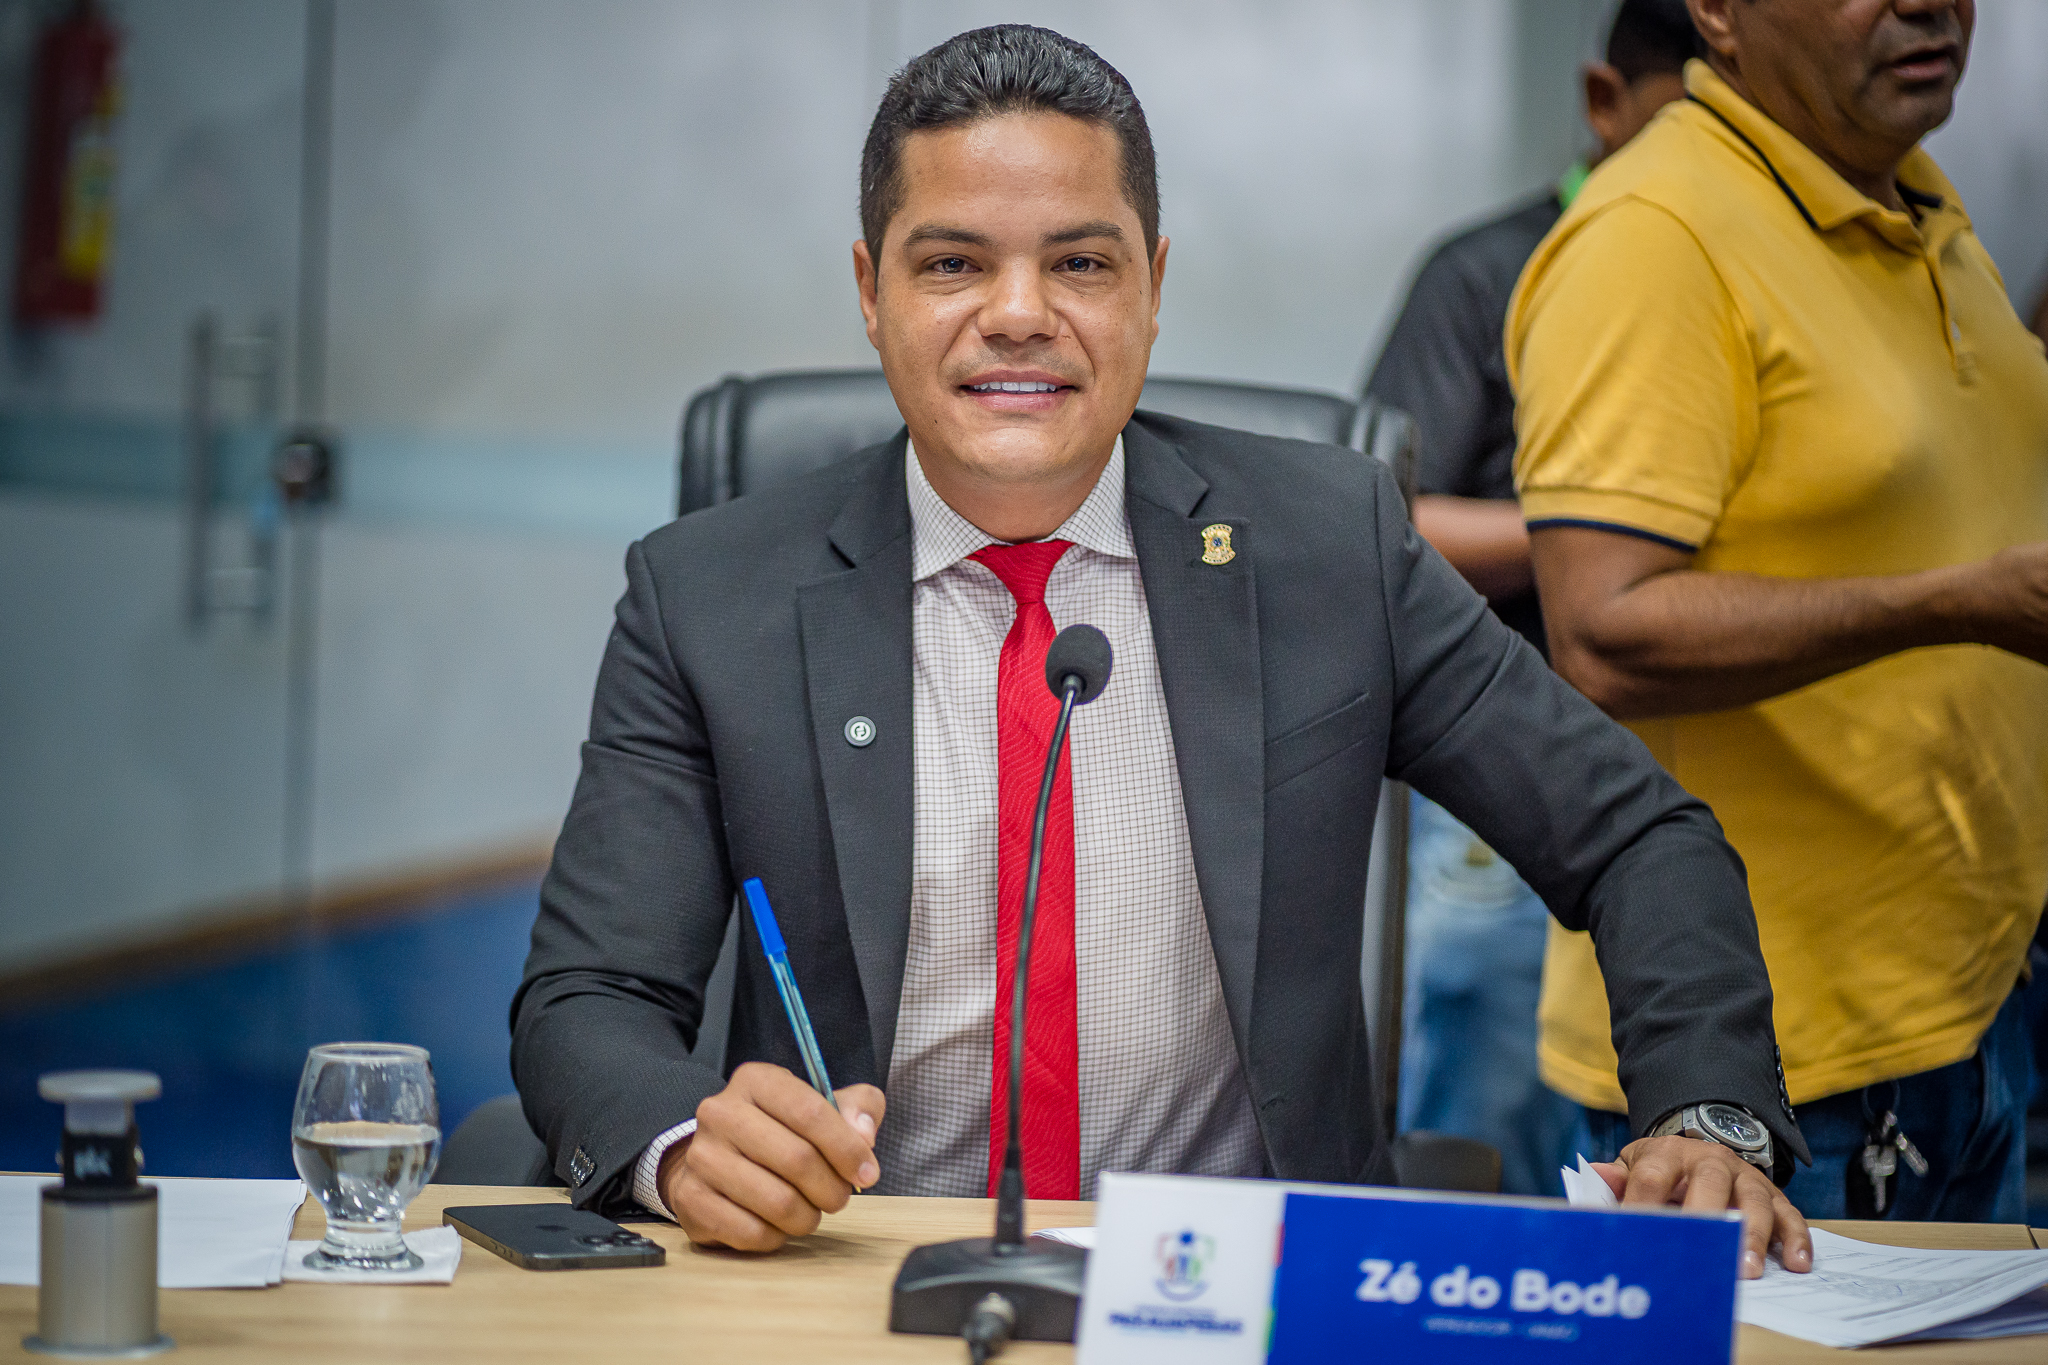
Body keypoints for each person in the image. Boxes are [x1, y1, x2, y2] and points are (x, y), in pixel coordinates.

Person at [512, 24, 1814, 1277]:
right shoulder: (707, 596)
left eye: (1080, 263)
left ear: (1152, 286)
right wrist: (685, 1147)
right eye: (952, 263)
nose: (1017, 314)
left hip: (1248, 1282)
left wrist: (1708, 1113)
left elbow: (1633, 834)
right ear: (870, 291)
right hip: (857, 1277)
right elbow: (590, 997)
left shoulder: (1328, 547)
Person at [1508, 0, 2048, 1222]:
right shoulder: (1655, 235)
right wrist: (1958, 604)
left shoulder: (1915, 199)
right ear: (1715, 12)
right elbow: (1601, 633)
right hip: (1768, 1071)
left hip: (1963, 1010)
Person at [1361, 0, 1700, 1198]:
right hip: (1502, 757)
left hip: (1713, 766)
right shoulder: (1490, 271)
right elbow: (1387, 520)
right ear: (1606, 104)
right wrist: (1598, 538)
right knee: (1483, 1086)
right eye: (1696, 128)